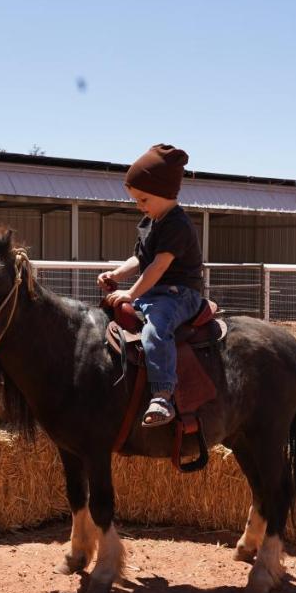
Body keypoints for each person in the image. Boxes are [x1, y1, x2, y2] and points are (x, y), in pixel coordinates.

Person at [98, 144, 205, 427]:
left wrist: (131, 293)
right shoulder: (149, 221)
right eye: (136, 200)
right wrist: (117, 275)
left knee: (156, 329)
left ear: (165, 193)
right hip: (154, 293)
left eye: (144, 199)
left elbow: (158, 265)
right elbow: (140, 258)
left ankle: (162, 394)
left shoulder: (176, 224)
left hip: (179, 294)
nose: (139, 206)